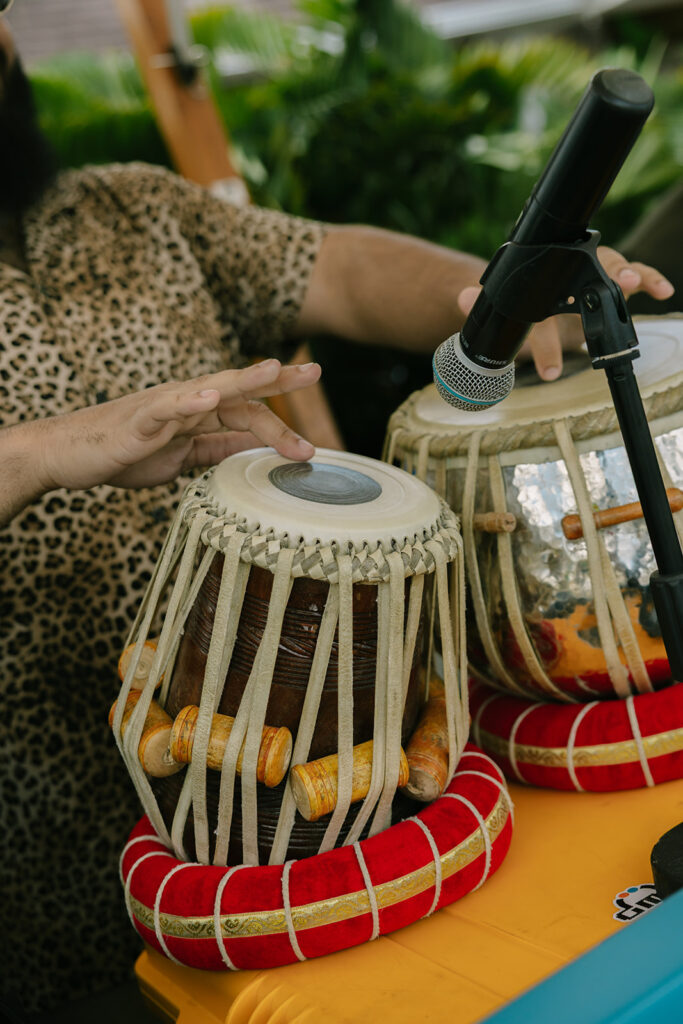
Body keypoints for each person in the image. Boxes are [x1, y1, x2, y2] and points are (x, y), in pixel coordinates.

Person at [0, 17, 674, 1017]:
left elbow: (341, 267)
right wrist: (51, 449)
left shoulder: (129, 207)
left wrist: (508, 300)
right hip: (40, 845)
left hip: (317, 781)